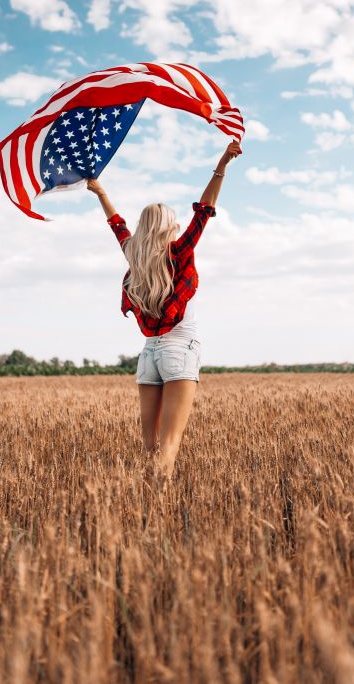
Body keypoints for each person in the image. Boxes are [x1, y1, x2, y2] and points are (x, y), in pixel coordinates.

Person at [86, 139, 242, 480]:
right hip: (179, 351)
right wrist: (222, 164)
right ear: (169, 227)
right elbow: (204, 210)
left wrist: (100, 192)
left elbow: (117, 224)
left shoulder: (135, 256)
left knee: (150, 448)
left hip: (148, 357)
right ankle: (160, 512)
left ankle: (145, 512)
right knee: (169, 447)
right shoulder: (179, 251)